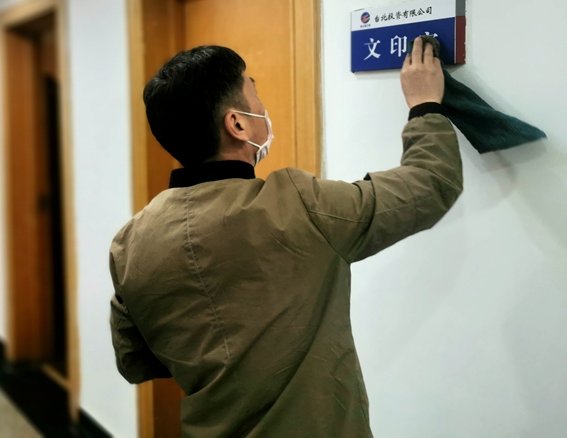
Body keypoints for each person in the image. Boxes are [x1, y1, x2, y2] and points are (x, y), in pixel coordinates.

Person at [109, 38, 463, 437]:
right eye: (254, 94)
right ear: (237, 124)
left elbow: (134, 361)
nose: (262, 108)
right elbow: (432, 185)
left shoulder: (130, 242)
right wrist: (424, 105)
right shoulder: (298, 205)